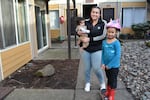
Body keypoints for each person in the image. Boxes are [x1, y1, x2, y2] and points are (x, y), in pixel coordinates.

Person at [77, 6, 107, 93]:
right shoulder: (86, 22)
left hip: (97, 48)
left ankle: (102, 83)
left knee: (97, 68)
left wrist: (90, 39)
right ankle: (87, 83)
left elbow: (103, 36)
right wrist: (79, 33)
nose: (95, 14)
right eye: (93, 12)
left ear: (99, 14)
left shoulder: (103, 23)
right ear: (91, 13)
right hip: (86, 49)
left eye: (97, 12)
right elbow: (79, 30)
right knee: (86, 68)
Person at [101, 19, 121, 100]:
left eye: (112, 32)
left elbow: (117, 55)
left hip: (114, 66)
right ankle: (108, 92)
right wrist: (102, 63)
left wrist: (110, 65)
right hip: (106, 66)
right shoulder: (104, 42)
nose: (110, 34)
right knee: (109, 79)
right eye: (109, 32)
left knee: (113, 81)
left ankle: (111, 96)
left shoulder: (116, 43)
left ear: (116, 33)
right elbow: (102, 53)